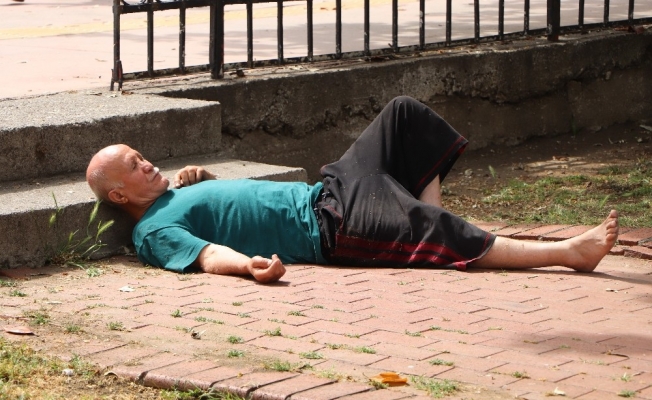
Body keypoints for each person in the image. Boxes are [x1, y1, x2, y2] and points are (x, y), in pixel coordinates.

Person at [86, 96, 619, 283]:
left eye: (141, 155)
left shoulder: (173, 194)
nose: (147, 163)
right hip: (331, 228)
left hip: (329, 190)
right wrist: (249, 267)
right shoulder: (153, 232)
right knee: (430, 228)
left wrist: (203, 182)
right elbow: (206, 255)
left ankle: (432, 226)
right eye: (135, 165)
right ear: (119, 196)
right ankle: (566, 253)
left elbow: (226, 207)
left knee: (403, 115)